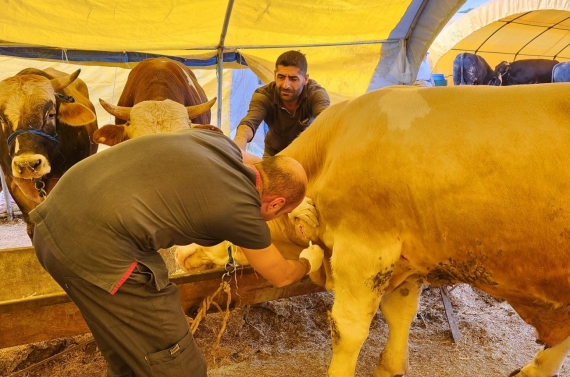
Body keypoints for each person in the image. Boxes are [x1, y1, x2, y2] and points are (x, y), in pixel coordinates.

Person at [30, 128, 324, 377]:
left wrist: (293, 196)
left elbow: (262, 165)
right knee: (176, 363)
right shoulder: (244, 209)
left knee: (128, 353)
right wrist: (309, 262)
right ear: (274, 204)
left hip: (51, 222)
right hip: (95, 248)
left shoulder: (217, 142)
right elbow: (281, 275)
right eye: (277, 212)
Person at [234, 50, 330, 157]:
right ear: (275, 75)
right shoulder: (264, 95)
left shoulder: (316, 94)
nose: (285, 85)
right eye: (281, 77)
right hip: (274, 154)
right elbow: (249, 123)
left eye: (293, 79)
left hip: (306, 154)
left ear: (305, 79)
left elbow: (327, 123)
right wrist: (236, 150)